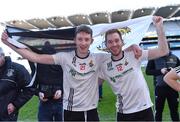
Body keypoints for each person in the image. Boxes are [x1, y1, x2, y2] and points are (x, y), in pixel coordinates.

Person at [1, 25, 141, 121]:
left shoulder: (98, 58)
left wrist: (131, 47)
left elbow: (116, 52)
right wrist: (8, 43)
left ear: (91, 41)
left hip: (91, 111)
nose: (83, 43)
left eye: (86, 40)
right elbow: (35, 57)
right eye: (80, 39)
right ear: (74, 40)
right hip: (70, 112)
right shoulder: (64, 57)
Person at [99, 16, 169, 121]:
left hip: (144, 109)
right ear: (106, 45)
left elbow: (163, 51)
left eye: (116, 40)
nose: (114, 44)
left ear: (122, 41)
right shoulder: (104, 65)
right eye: (110, 42)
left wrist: (159, 28)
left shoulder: (135, 54)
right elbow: (92, 85)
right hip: (124, 113)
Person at [146, 43, 179, 121]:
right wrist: (160, 71)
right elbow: (148, 71)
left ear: (169, 48)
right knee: (158, 111)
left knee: (174, 111)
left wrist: (173, 72)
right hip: (160, 88)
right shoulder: (154, 58)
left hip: (173, 89)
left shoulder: (175, 58)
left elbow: (179, 72)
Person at [0, 47, 35, 121]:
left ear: (2, 55)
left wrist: (15, 104)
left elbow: (30, 88)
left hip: (6, 115)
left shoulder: (18, 69)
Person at [36, 41, 63, 121]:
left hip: (61, 102)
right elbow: (32, 85)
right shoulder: (38, 66)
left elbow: (69, 82)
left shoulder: (60, 65)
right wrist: (38, 93)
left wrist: (61, 91)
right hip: (44, 103)